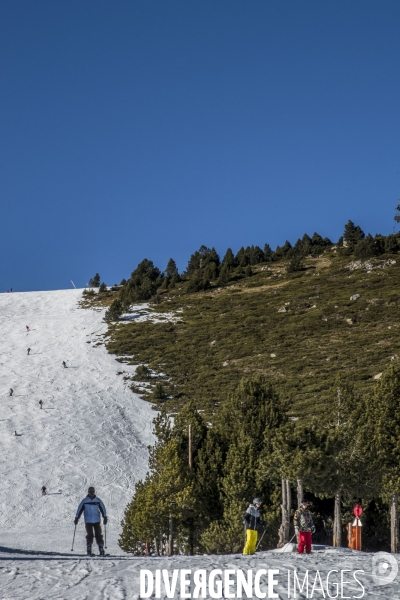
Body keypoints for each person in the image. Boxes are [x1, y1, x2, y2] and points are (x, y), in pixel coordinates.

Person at [74, 487, 107, 556]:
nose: (91, 493)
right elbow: (79, 509)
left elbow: (102, 508)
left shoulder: (98, 500)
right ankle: (89, 549)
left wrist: (105, 517)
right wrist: (77, 517)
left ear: (94, 492)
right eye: (90, 491)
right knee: (90, 535)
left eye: (92, 491)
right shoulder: (85, 501)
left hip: (96, 520)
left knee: (98, 534)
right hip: (88, 520)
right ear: (88, 492)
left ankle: (101, 549)